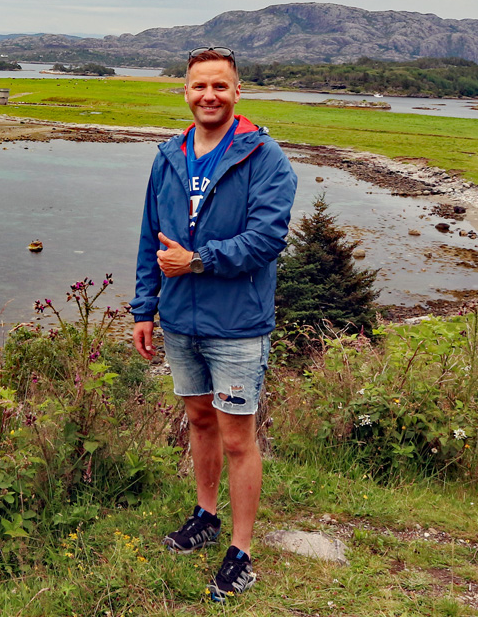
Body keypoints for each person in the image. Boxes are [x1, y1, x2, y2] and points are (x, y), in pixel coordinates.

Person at [130, 46, 297, 602]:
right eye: (199, 86)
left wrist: (197, 261)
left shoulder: (266, 158)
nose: (209, 96)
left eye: (220, 87)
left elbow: (267, 240)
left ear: (237, 92)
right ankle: (205, 516)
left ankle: (241, 551)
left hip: (238, 324)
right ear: (185, 92)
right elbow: (150, 235)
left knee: (237, 437)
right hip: (178, 318)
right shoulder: (168, 156)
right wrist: (143, 308)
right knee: (199, 420)